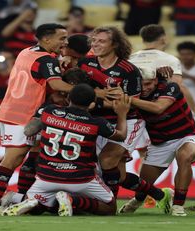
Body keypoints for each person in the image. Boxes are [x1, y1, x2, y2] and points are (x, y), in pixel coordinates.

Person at [0, 23, 98, 214]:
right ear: (47, 39)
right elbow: (56, 84)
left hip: (10, 110)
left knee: (23, 154)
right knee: (13, 160)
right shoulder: (46, 59)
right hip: (22, 114)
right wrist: (91, 92)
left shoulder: (26, 51)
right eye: (61, 38)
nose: (65, 42)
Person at [78, 26, 173, 209]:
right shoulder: (85, 64)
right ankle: (160, 194)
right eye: (94, 40)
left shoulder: (128, 70)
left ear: (114, 44)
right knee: (117, 175)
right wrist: (101, 97)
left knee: (106, 160)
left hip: (127, 121)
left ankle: (108, 205)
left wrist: (95, 100)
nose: (95, 44)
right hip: (97, 121)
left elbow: (128, 104)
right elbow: (81, 93)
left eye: (102, 41)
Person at [0, 84, 131, 216]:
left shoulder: (49, 111)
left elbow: (29, 131)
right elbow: (121, 135)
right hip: (80, 179)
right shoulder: (96, 123)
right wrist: (122, 113)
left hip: (46, 177)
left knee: (42, 206)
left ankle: (20, 199)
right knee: (109, 208)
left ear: (68, 98)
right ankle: (72, 200)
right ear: (91, 105)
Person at [119, 66, 195, 216]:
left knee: (184, 157)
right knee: (144, 185)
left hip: (187, 135)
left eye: (148, 84)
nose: (145, 88)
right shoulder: (134, 92)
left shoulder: (170, 87)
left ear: (156, 80)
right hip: (160, 142)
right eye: (142, 84)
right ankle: (137, 200)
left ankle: (178, 205)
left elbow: (158, 108)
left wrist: (128, 100)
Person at [129, 24, 195, 121]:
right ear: (163, 39)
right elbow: (178, 86)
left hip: (134, 110)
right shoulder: (168, 59)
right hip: (160, 111)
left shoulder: (130, 59)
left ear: (143, 40)